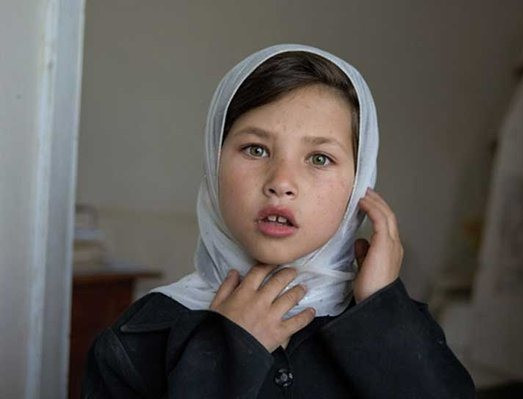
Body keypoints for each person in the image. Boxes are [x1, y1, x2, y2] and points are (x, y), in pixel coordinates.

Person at [82, 44, 475, 398]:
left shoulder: (392, 327)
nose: (281, 183)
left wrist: (380, 305)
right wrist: (231, 352)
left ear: (359, 184)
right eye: (255, 149)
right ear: (213, 162)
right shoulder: (140, 337)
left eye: (319, 158)